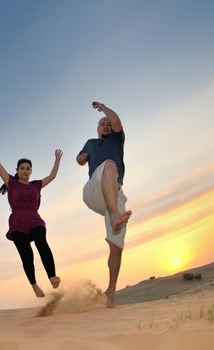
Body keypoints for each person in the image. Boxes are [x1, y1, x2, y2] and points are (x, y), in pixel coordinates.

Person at [0, 131, 62, 297]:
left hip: (35, 220)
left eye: (28, 168)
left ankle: (52, 276)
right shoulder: (11, 183)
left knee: (42, 243)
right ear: (18, 170)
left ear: (31, 171)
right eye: (22, 168)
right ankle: (34, 285)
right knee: (27, 256)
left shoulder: (36, 185)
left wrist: (57, 160)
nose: (25, 170)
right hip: (17, 223)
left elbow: (52, 176)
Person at [77, 101, 132, 308]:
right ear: (97, 129)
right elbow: (79, 159)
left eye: (109, 124)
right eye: (103, 124)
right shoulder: (91, 143)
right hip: (93, 190)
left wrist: (104, 108)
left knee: (116, 247)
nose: (107, 126)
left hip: (114, 193)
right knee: (109, 165)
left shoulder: (118, 140)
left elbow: (117, 121)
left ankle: (111, 292)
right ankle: (116, 216)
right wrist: (82, 158)